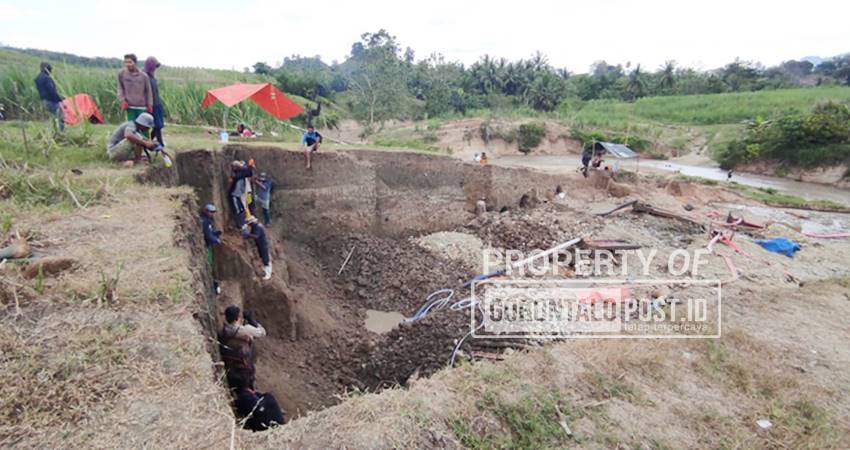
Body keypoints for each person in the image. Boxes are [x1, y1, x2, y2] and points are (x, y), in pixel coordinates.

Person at [220, 305, 266, 389]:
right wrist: (251, 320)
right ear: (237, 318)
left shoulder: (224, 330)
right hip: (245, 367)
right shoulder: (245, 329)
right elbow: (262, 332)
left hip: (230, 365)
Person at [105, 112, 172, 167]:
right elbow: (128, 135)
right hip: (113, 151)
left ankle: (134, 160)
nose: (148, 129)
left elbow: (147, 143)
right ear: (143, 124)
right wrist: (145, 143)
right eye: (148, 127)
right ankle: (136, 160)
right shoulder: (130, 125)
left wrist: (159, 148)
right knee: (137, 140)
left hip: (119, 150)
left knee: (140, 140)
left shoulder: (137, 130)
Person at [117, 53, 153, 123]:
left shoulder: (144, 76)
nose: (128, 64)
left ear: (135, 62)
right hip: (129, 106)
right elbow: (120, 88)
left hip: (142, 107)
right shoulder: (122, 74)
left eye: (130, 62)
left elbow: (148, 91)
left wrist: (150, 104)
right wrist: (122, 100)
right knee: (131, 126)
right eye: (126, 62)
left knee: (143, 126)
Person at [34, 62, 64, 132]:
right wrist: (60, 99)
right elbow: (52, 91)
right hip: (51, 101)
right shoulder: (47, 79)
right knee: (61, 115)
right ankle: (61, 132)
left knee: (53, 117)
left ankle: (53, 131)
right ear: (47, 69)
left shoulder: (38, 78)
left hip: (43, 101)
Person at [143, 56, 165, 145]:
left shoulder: (152, 77)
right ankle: (159, 142)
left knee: (159, 125)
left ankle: (152, 141)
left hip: (157, 104)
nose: (155, 69)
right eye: (154, 66)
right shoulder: (144, 76)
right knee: (157, 125)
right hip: (151, 105)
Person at [201, 203, 222, 294]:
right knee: (208, 263)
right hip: (206, 246)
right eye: (211, 211)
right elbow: (208, 235)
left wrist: (216, 233)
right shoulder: (205, 221)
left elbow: (210, 232)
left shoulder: (208, 220)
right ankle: (212, 282)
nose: (212, 213)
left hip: (208, 244)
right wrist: (217, 240)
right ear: (205, 211)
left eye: (213, 212)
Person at [228, 160, 254, 228]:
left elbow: (248, 173)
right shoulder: (239, 174)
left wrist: (249, 167)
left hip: (243, 194)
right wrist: (249, 167)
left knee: (245, 207)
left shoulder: (240, 174)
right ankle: (241, 224)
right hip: (239, 194)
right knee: (240, 209)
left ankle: (244, 222)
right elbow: (246, 173)